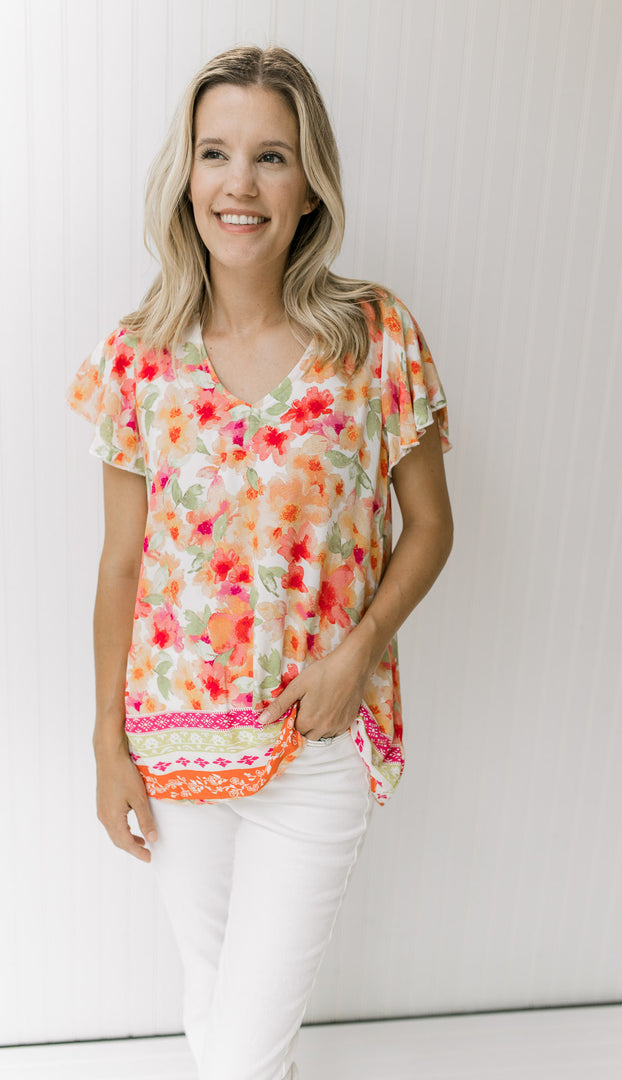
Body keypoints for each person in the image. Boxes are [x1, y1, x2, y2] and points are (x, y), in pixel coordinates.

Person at [66, 44, 453, 1080]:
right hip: (173, 742)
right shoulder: (137, 355)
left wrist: (359, 650)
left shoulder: (373, 336)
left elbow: (429, 528)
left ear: (309, 184)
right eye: (217, 153)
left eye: (271, 157)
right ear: (186, 174)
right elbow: (118, 567)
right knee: (219, 1021)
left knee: (238, 1050)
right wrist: (107, 745)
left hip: (316, 738)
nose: (240, 184)